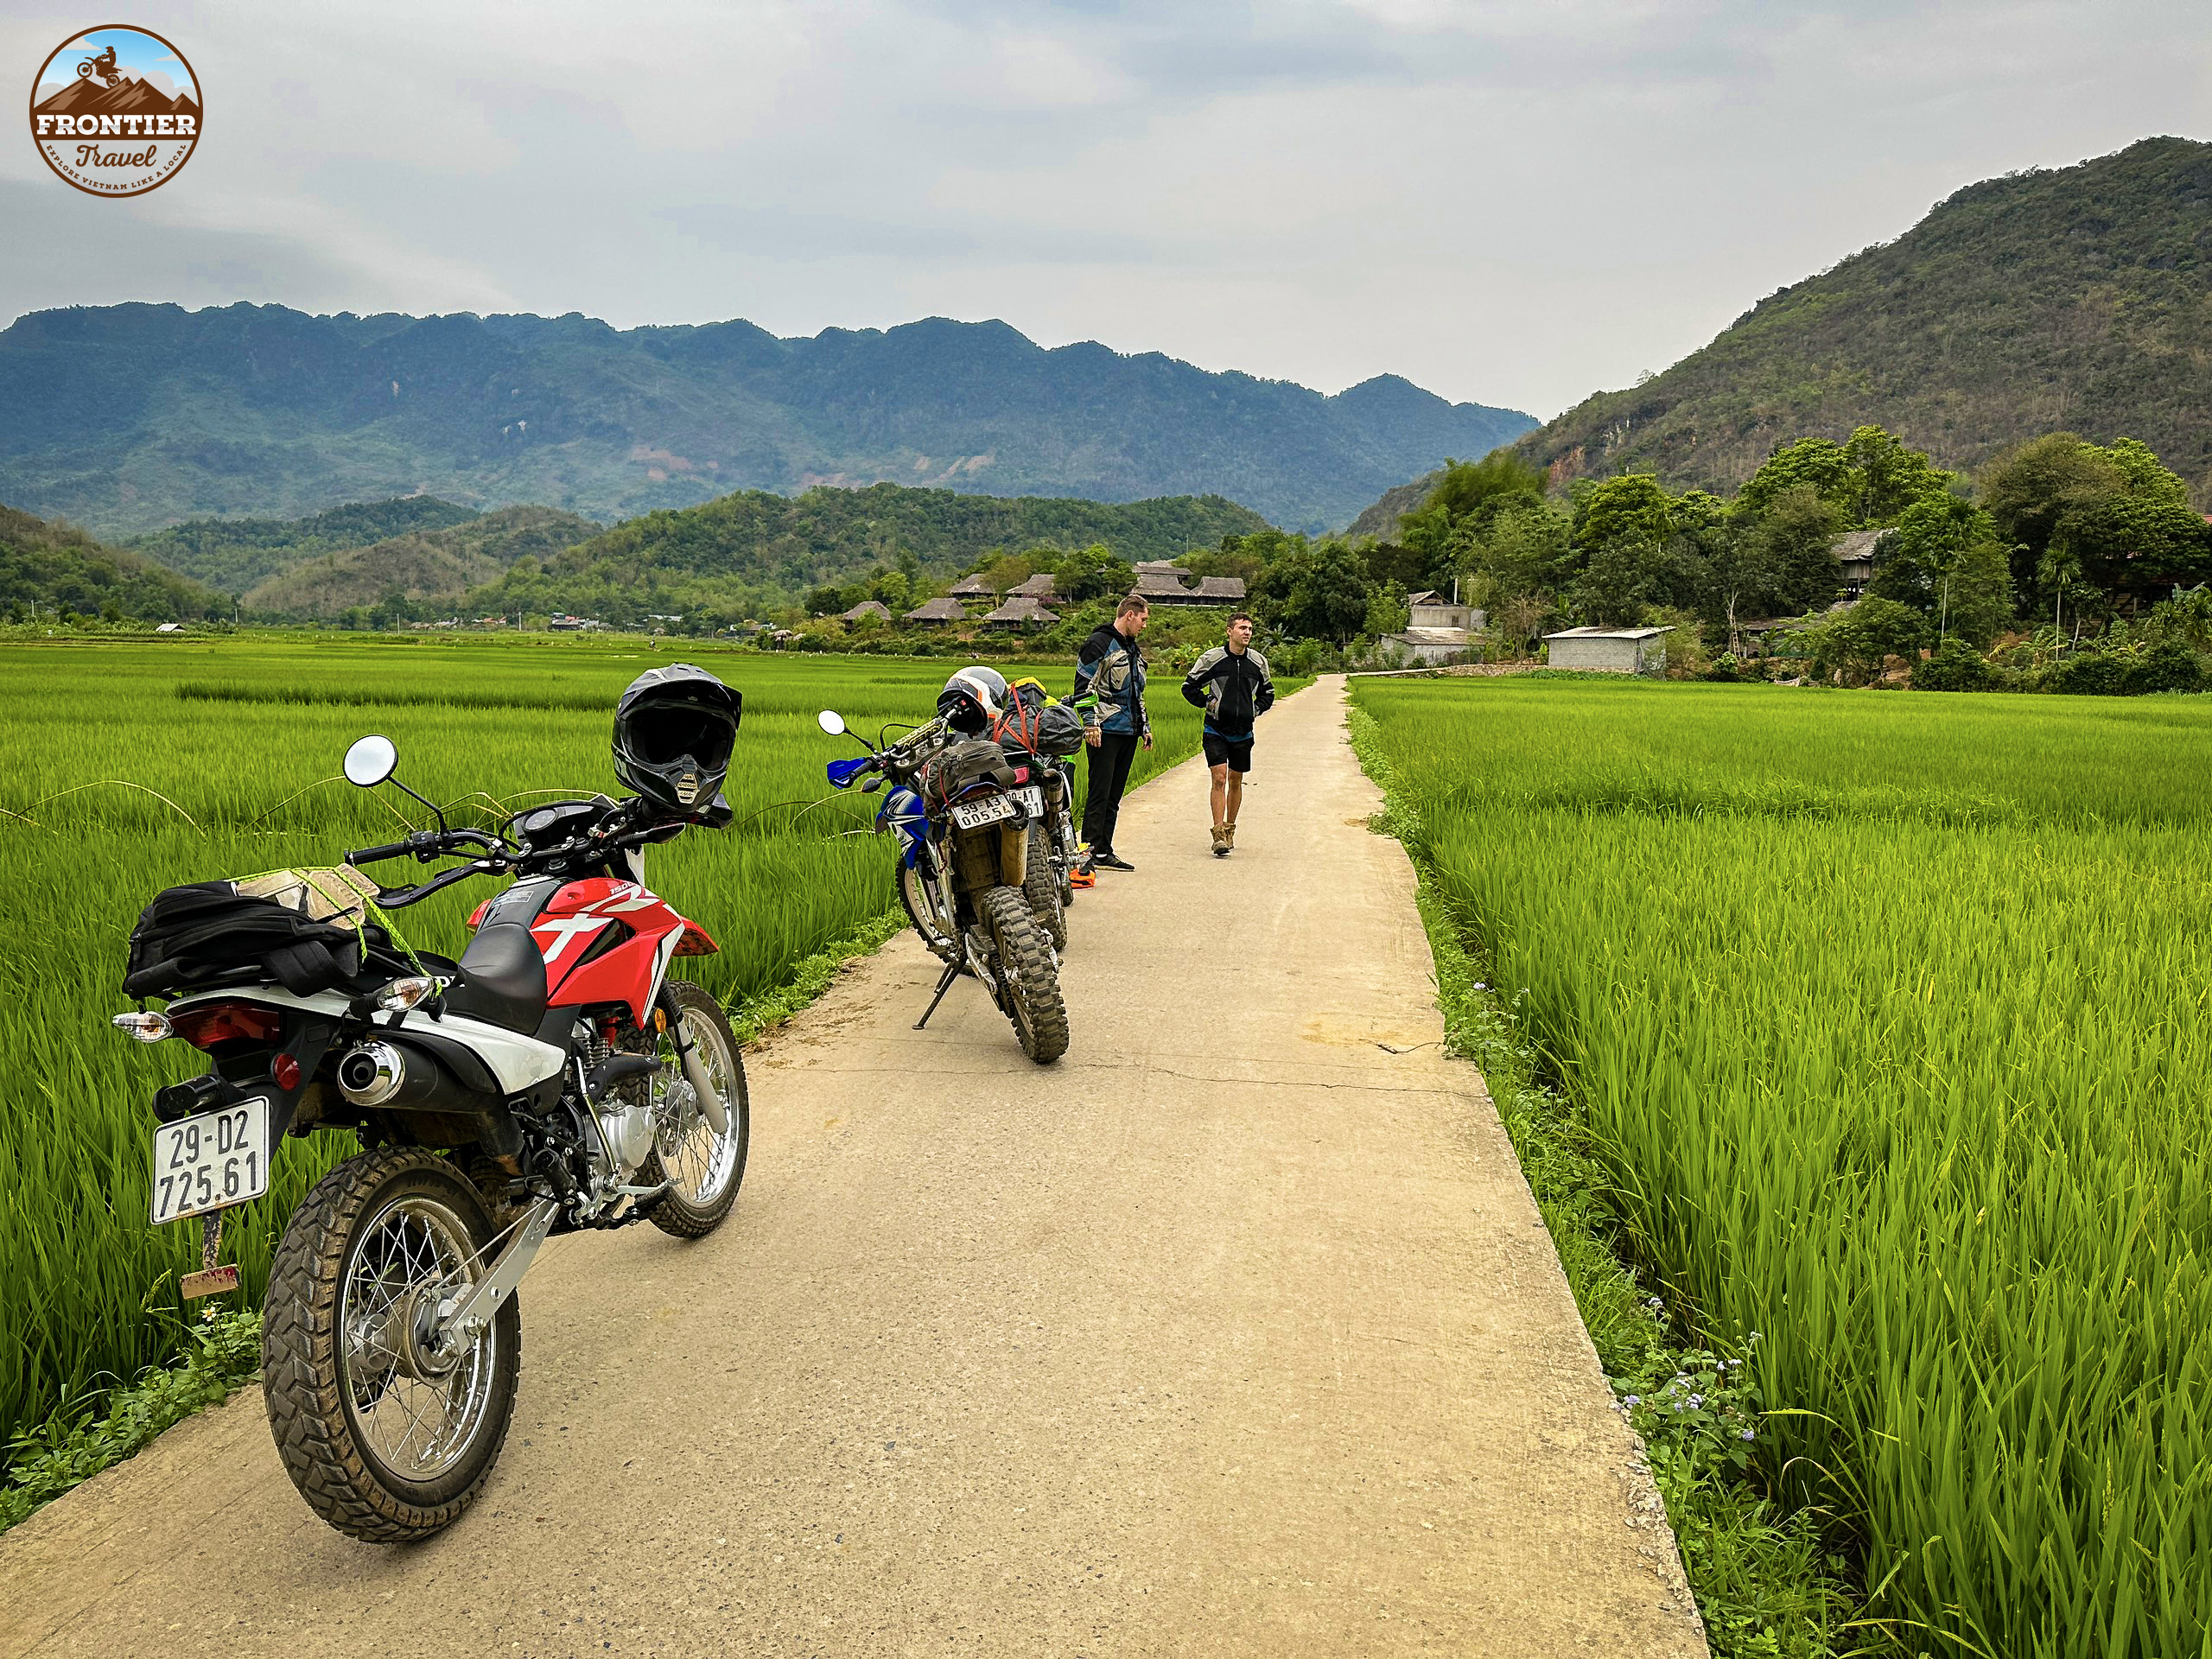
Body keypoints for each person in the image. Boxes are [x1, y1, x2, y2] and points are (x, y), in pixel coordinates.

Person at [1180, 612, 1274, 856]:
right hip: (1215, 729)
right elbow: (1188, 687)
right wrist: (1208, 704)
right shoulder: (1212, 659)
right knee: (1219, 778)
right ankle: (1218, 832)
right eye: (1242, 628)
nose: (1247, 633)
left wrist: (1255, 709)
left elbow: (1268, 693)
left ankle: (1230, 828)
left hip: (1243, 732)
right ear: (1229, 631)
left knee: (1235, 780)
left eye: (1250, 629)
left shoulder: (1258, 662)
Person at [1073, 594, 1150, 871]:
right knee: (1099, 792)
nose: (1144, 625)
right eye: (1142, 619)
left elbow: (1136, 692)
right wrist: (1090, 723)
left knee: (1114, 795)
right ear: (1129, 615)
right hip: (1104, 729)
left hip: (1128, 730)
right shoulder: (1099, 643)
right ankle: (1089, 851)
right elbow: (1083, 687)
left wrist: (1145, 727)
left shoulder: (1132, 648)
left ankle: (1105, 851)